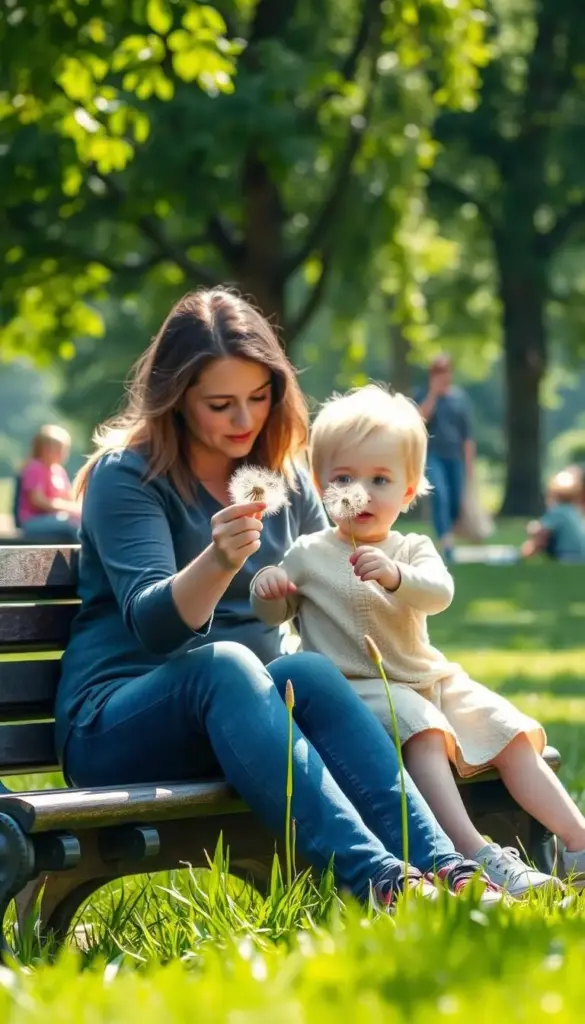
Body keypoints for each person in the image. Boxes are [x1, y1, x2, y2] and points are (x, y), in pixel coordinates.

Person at [55, 288, 503, 910]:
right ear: (177, 397)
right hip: (117, 725)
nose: (245, 419)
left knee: (308, 672)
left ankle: (452, 874)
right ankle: (385, 884)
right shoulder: (128, 475)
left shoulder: (286, 476)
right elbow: (154, 628)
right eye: (221, 403)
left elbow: (339, 575)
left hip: (247, 718)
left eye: (259, 397)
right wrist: (218, 560)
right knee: (228, 664)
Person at [250, 384, 585, 897]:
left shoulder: (412, 546)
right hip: (355, 687)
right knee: (423, 730)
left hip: (428, 674)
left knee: (506, 728)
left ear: (408, 491)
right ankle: (476, 852)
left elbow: (440, 593)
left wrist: (396, 576)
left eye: (380, 479)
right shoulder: (308, 551)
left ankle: (577, 842)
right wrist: (267, 588)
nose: (361, 493)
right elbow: (274, 609)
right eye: (344, 478)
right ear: (320, 485)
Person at [414, 355, 475, 561]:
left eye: (445, 371)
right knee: (441, 494)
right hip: (433, 454)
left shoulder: (459, 399)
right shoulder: (423, 394)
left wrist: (469, 465)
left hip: (455, 456)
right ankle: (446, 541)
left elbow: (467, 435)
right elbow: (419, 420)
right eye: (437, 372)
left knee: (455, 499)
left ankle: (450, 534)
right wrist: (433, 394)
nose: (442, 376)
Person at [15, 424, 81, 542]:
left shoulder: (59, 471)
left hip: (55, 518)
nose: (62, 454)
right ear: (44, 449)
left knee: (84, 520)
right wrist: (68, 508)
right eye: (58, 449)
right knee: (74, 524)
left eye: (64, 450)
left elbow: (69, 497)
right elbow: (38, 500)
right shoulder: (35, 468)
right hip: (32, 521)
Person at [521, 468, 585, 563]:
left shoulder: (558, 512)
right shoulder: (573, 512)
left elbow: (542, 535)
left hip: (567, 560)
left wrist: (525, 552)